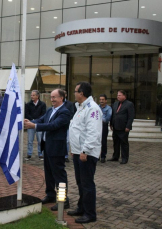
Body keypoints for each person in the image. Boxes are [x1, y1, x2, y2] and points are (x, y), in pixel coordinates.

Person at [24, 89, 71, 211]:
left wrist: (34, 126)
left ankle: (63, 200)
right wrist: (30, 122)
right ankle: (50, 195)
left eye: (55, 97)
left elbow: (53, 126)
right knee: (49, 173)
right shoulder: (50, 110)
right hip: (48, 147)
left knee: (59, 175)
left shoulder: (65, 112)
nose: (52, 99)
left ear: (62, 98)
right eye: (51, 97)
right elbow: (42, 120)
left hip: (57, 148)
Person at [67, 82, 102, 224]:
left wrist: (85, 150)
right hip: (78, 152)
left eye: (75, 91)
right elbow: (77, 129)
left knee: (87, 184)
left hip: (86, 153)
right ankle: (81, 208)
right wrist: (74, 150)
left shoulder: (92, 108)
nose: (74, 93)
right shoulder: (80, 107)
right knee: (80, 182)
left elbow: (93, 132)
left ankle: (90, 213)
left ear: (81, 93)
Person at [108, 90, 135, 164]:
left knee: (124, 144)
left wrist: (128, 126)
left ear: (124, 96)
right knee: (116, 143)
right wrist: (111, 124)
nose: (118, 96)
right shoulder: (115, 104)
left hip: (123, 127)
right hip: (115, 126)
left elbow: (131, 116)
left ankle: (124, 158)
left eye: (119, 95)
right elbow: (113, 114)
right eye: (117, 95)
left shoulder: (129, 104)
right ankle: (115, 156)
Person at [25, 90, 46, 160]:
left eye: (33, 95)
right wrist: (32, 120)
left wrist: (37, 121)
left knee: (40, 140)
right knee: (30, 140)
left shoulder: (42, 104)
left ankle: (40, 154)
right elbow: (26, 114)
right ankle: (29, 154)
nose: (32, 96)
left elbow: (43, 114)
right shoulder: (28, 104)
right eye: (31, 95)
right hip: (30, 124)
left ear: (38, 96)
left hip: (39, 125)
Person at [99, 94, 112, 163]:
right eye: (100, 99)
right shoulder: (97, 107)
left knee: (103, 142)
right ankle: (97, 155)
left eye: (103, 99)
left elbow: (108, 118)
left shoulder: (108, 108)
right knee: (96, 141)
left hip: (104, 126)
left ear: (106, 100)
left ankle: (103, 156)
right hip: (97, 126)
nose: (101, 101)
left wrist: (101, 120)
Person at [63, 90, 75, 163]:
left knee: (67, 141)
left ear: (66, 95)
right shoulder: (58, 103)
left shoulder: (70, 104)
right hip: (59, 125)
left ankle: (65, 156)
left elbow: (72, 113)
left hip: (67, 125)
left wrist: (66, 119)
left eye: (64, 94)